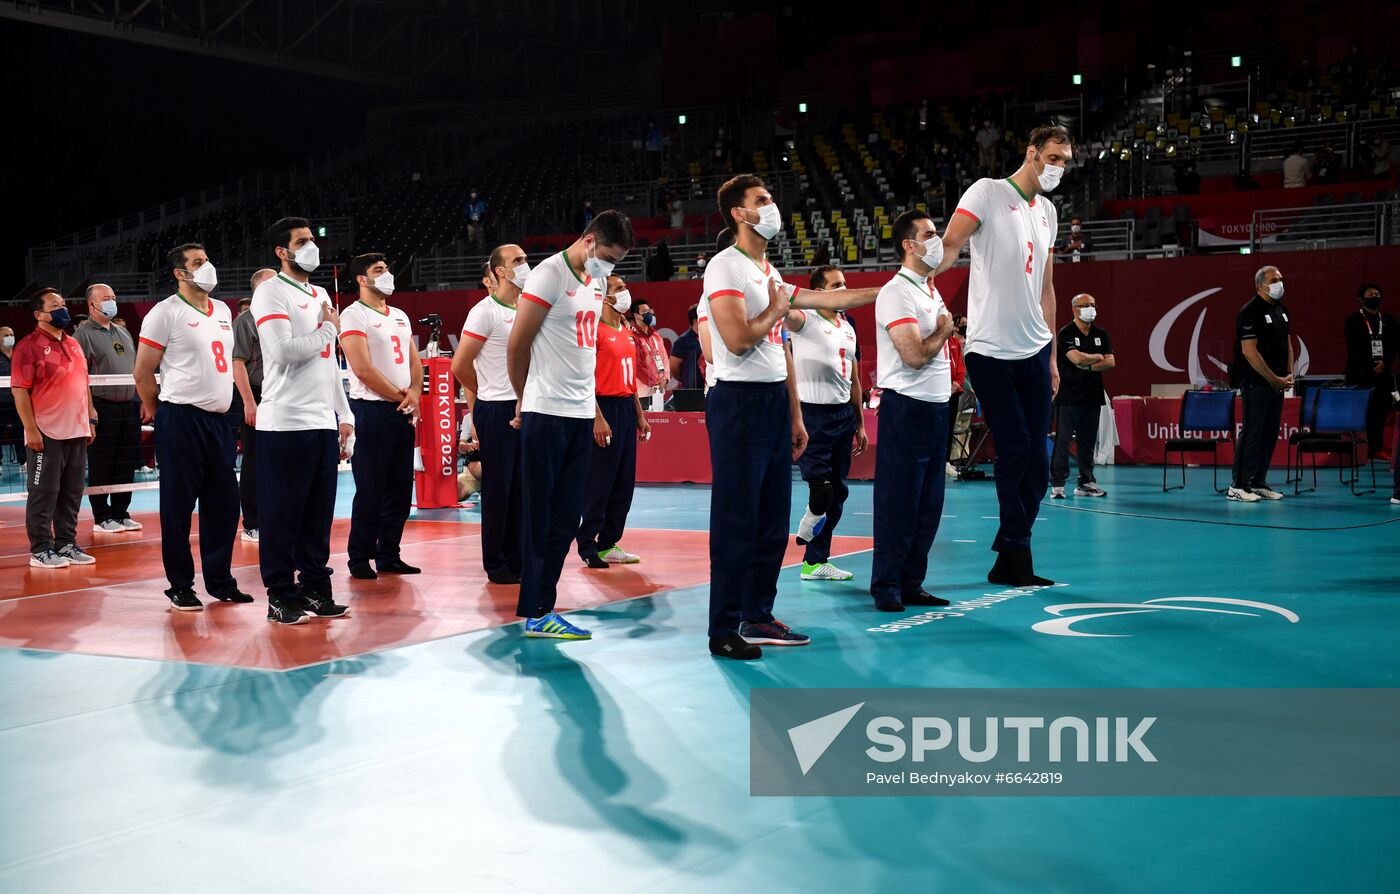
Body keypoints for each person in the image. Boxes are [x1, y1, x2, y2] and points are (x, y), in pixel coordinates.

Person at [704, 174, 881, 658]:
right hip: (738, 402)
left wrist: (888, 289)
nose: (771, 206)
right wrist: (776, 308)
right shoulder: (725, 266)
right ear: (739, 213)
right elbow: (738, 339)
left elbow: (828, 301)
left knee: (769, 521)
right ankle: (723, 629)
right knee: (736, 520)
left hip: (771, 403)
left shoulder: (769, 271)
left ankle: (757, 616)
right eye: (761, 200)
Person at [938, 125, 1070, 588]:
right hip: (990, 350)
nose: (1058, 167)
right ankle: (1018, 556)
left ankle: (1010, 554)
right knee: (1014, 447)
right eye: (1053, 157)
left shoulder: (1048, 211)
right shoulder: (988, 192)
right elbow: (951, 245)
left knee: (1038, 464)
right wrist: (919, 273)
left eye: (1065, 161)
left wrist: (1052, 356)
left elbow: (1047, 289)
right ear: (1032, 153)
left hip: (1035, 350)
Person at [507, 210, 635, 639]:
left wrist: (593, 409)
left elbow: (583, 355)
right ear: (589, 240)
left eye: (617, 262)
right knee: (540, 516)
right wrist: (524, 398)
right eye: (608, 257)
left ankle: (545, 606)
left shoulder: (596, 281)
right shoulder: (548, 275)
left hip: (580, 413)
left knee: (566, 519)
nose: (610, 268)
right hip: (546, 412)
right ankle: (535, 610)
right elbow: (518, 345)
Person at [250, 217, 355, 624]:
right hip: (285, 423)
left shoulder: (320, 293)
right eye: (302, 241)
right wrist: (329, 329)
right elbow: (284, 351)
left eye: (312, 239)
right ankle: (280, 595)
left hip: (321, 422)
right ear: (282, 251)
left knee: (317, 517)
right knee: (282, 516)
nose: (312, 246)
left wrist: (344, 414)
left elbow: (328, 364)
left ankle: (314, 588)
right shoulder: (270, 292)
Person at [134, 244, 250, 610]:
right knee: (178, 507)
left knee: (224, 506)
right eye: (198, 262)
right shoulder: (165, 312)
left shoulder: (222, 310)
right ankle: (181, 585)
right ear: (180, 273)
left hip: (219, 422)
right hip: (181, 419)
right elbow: (143, 372)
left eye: (208, 260)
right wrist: (162, 414)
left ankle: (220, 581)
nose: (208, 266)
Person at [869, 211, 956, 611]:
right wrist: (944, 330)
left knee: (928, 504)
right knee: (899, 503)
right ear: (909, 244)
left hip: (936, 410)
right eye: (930, 234)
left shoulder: (928, 291)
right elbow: (914, 355)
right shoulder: (897, 292)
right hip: (906, 408)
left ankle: (911, 583)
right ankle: (886, 586)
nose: (937, 240)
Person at [339, 253, 423, 579]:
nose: (387, 274)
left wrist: (415, 392)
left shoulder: (399, 315)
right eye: (378, 270)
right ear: (362, 279)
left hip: (401, 411)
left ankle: (389, 554)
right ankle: (359, 557)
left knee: (400, 492)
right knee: (370, 491)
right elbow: (362, 369)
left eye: (387, 268)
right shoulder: (353, 314)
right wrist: (404, 397)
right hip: (371, 411)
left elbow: (414, 361)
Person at [453, 245, 528, 585]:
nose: (525, 265)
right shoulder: (485, 311)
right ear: (500, 271)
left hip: (525, 406)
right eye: (517, 261)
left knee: (522, 487)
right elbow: (460, 365)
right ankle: (496, 563)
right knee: (499, 488)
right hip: (497, 408)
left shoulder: (527, 307)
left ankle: (519, 557)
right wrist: (485, 394)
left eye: (525, 259)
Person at [787, 264, 866, 583]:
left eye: (845, 283)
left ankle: (815, 561)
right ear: (818, 292)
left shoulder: (848, 327)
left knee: (839, 494)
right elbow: (786, 310)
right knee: (822, 491)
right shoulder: (805, 320)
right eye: (836, 285)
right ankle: (806, 534)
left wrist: (860, 423)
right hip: (812, 416)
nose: (844, 289)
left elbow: (855, 379)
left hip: (842, 417)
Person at [11, 288, 98, 568]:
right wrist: (31, 429)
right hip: (46, 431)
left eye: (63, 304)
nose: (63, 309)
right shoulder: (28, 346)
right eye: (55, 306)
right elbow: (19, 391)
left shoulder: (73, 343)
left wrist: (90, 418)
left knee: (72, 493)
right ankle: (41, 549)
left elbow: (83, 383)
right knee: (44, 493)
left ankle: (66, 544)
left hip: (77, 430)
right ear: (39, 314)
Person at [577, 275, 651, 568]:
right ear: (605, 297)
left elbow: (630, 380)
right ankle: (587, 543)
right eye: (619, 289)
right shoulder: (594, 331)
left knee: (623, 482)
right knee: (600, 481)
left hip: (625, 408)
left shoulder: (627, 331)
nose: (625, 292)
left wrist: (640, 415)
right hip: (602, 407)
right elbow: (584, 379)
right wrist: (597, 417)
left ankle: (608, 543)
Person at [75, 283, 142, 533]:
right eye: (105, 298)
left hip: (129, 406)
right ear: (91, 304)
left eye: (113, 297)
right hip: (102, 407)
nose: (111, 301)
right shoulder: (82, 335)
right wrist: (89, 411)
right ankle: (102, 517)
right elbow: (78, 377)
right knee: (102, 463)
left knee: (126, 462)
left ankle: (121, 513)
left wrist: (141, 399)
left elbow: (135, 370)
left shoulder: (123, 332)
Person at [1228, 265, 1293, 503]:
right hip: (1256, 383)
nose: (1279, 284)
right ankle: (1238, 486)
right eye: (1274, 280)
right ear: (1259, 286)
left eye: (1280, 278)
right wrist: (1273, 379)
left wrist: (1288, 374)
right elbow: (1249, 352)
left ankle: (1257, 482)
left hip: (1277, 384)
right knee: (1252, 433)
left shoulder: (1282, 310)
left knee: (1270, 432)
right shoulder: (1249, 312)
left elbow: (1287, 344)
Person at [1050, 293, 1115, 499]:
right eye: (1085, 305)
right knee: (1062, 442)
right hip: (1068, 397)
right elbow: (1076, 358)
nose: (1090, 309)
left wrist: (1087, 366)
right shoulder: (1066, 333)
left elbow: (1110, 361)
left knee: (1087, 443)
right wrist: (1096, 357)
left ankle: (1086, 482)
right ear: (1074, 309)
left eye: (1093, 305)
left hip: (1092, 396)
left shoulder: (1101, 334)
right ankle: (1058, 484)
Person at [232, 268, 276, 543]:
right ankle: (252, 522)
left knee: (280, 458)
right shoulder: (245, 321)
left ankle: (276, 516)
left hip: (282, 394)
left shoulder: (283, 316)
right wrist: (249, 402)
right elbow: (237, 363)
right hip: (256, 394)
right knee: (254, 459)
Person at [1343, 283, 1397, 463]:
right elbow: (1354, 348)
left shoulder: (1387, 320)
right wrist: (1370, 367)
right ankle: (1359, 449)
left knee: (1379, 414)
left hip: (1382, 375)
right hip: (1360, 374)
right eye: (1371, 295)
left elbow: (1393, 345)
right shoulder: (1353, 321)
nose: (1375, 297)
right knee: (1362, 413)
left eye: (1377, 294)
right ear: (1361, 299)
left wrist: (1385, 363)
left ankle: (1376, 449)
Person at [631, 298, 670, 412]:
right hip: (642, 394)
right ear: (636, 315)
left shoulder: (656, 335)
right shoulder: (632, 336)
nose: (649, 314)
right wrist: (656, 381)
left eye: (649, 311)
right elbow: (637, 366)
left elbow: (664, 359)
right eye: (645, 312)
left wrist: (665, 379)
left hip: (659, 392)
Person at [0, 325, 22, 473]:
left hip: (19, 400)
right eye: (6, 335)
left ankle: (24, 460)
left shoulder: (20, 355)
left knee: (21, 432)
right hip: (1, 402)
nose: (10, 337)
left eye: (11, 334)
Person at [670, 304, 705, 389]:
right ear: (695, 321)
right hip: (693, 390)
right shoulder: (683, 341)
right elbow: (673, 367)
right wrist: (687, 380)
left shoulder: (709, 337)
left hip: (710, 386)